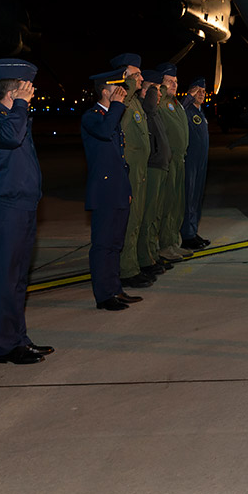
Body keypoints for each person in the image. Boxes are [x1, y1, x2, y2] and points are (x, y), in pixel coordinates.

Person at [0, 59, 54, 364]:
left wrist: (19, 108)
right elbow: (8, 138)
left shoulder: (11, 116)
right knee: (7, 280)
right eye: (27, 90)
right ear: (14, 91)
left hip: (22, 207)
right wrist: (20, 106)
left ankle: (18, 338)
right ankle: (7, 346)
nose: (31, 95)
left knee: (19, 279)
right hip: (6, 209)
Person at [81, 68, 144, 311]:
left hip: (117, 190)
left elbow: (119, 158)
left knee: (116, 243)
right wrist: (117, 106)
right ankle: (104, 296)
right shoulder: (92, 117)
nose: (120, 92)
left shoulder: (112, 116)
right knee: (103, 245)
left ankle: (115, 289)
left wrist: (126, 189)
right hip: (104, 192)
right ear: (105, 91)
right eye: (116, 88)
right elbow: (105, 131)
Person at [109, 53, 154, 290]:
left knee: (138, 219)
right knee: (130, 220)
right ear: (124, 77)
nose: (141, 78)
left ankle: (134, 264)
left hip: (140, 170)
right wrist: (125, 87)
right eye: (136, 74)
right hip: (129, 171)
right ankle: (127, 270)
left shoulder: (135, 100)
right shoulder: (123, 101)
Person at [136, 70, 173, 277]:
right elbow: (149, 105)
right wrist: (151, 90)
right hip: (151, 167)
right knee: (147, 215)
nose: (159, 94)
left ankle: (151, 253)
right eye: (155, 89)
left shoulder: (154, 110)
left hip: (160, 165)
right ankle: (144, 258)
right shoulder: (146, 107)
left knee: (155, 215)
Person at [156, 62, 191, 261]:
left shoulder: (176, 104)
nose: (174, 85)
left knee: (177, 203)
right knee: (167, 204)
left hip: (179, 160)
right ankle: (164, 245)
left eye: (176, 82)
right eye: (169, 81)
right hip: (168, 161)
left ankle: (172, 242)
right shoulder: (161, 103)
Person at [181, 77, 211, 250]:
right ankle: (187, 234)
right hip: (190, 161)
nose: (201, 93)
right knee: (189, 197)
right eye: (197, 90)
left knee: (198, 197)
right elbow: (178, 111)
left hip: (201, 162)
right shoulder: (186, 110)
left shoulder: (200, 112)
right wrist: (187, 98)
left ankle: (193, 230)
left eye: (203, 91)